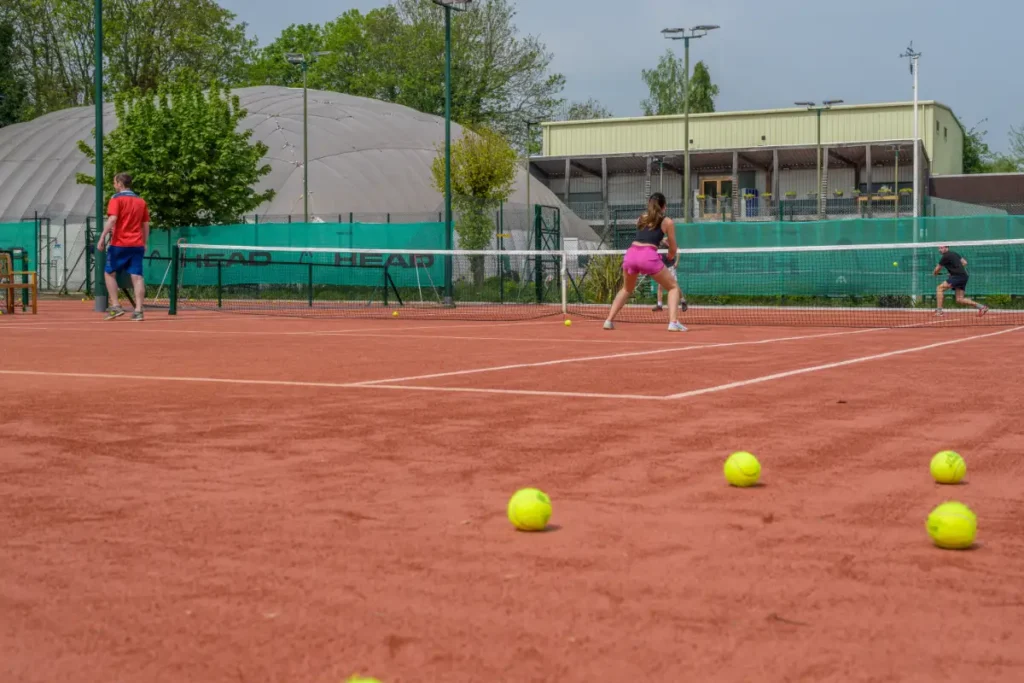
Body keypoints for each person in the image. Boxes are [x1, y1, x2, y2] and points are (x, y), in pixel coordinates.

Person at [604, 192, 686, 332]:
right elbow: (673, 247)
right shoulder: (668, 222)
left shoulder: (641, 218)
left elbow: (646, 236)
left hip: (630, 255)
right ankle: (673, 322)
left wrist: (659, 241)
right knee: (673, 287)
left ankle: (608, 320)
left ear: (649, 204)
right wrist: (671, 256)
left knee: (626, 289)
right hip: (648, 257)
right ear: (664, 206)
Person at [98, 173, 150, 322]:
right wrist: (144, 242)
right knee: (137, 276)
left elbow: (113, 219)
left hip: (119, 244)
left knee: (109, 273)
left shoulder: (116, 199)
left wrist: (102, 237)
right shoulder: (141, 201)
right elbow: (145, 225)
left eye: (114, 182)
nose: (114, 185)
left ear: (120, 184)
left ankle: (115, 306)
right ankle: (139, 311)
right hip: (137, 245)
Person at [933, 244, 988, 317]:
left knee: (939, 288)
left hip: (958, 276)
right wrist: (954, 271)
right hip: (964, 276)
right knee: (959, 299)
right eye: (939, 248)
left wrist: (935, 273)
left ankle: (939, 311)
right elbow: (964, 262)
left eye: (941, 248)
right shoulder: (954, 253)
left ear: (947, 248)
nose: (940, 250)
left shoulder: (945, 256)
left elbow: (937, 269)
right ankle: (982, 307)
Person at [651, 236, 689, 314]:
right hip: (662, 267)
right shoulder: (656, 242)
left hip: (670, 267)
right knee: (660, 287)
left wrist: (677, 262)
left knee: (674, 285)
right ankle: (659, 305)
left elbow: (677, 250)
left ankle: (683, 301)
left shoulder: (667, 240)